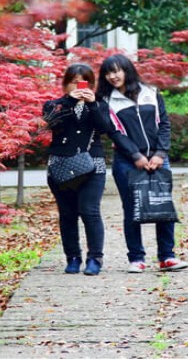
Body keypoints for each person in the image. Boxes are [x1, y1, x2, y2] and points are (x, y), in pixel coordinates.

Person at [96, 54, 188, 273]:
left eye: (117, 70)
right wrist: (136, 156)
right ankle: (136, 258)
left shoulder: (151, 93)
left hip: (159, 160)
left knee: (162, 206)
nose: (113, 76)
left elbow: (164, 124)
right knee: (132, 209)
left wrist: (160, 153)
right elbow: (114, 132)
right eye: (108, 72)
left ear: (127, 70)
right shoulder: (107, 101)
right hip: (126, 163)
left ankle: (167, 257)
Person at [42, 63, 112, 276]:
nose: (80, 85)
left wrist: (91, 105)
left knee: (90, 211)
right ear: (65, 83)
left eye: (85, 81)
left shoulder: (99, 104)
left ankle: (95, 259)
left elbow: (105, 129)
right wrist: (72, 100)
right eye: (74, 81)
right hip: (61, 165)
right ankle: (72, 257)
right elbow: (51, 123)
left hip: (93, 165)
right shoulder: (54, 104)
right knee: (67, 214)